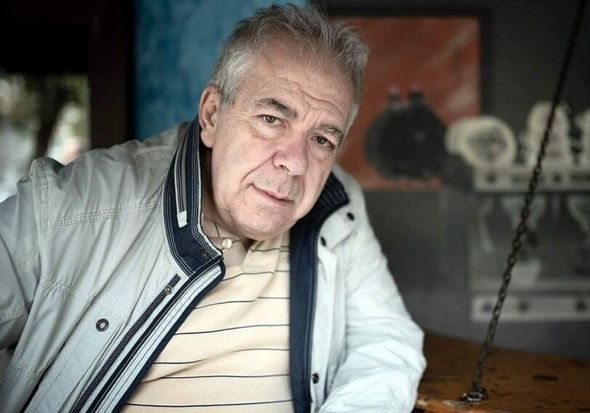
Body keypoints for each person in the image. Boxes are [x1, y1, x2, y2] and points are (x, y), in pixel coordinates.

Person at [0, 4, 425, 412]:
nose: (295, 163)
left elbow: (385, 338)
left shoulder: (337, 206)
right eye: (272, 119)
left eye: (321, 140)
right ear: (212, 115)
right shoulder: (82, 203)